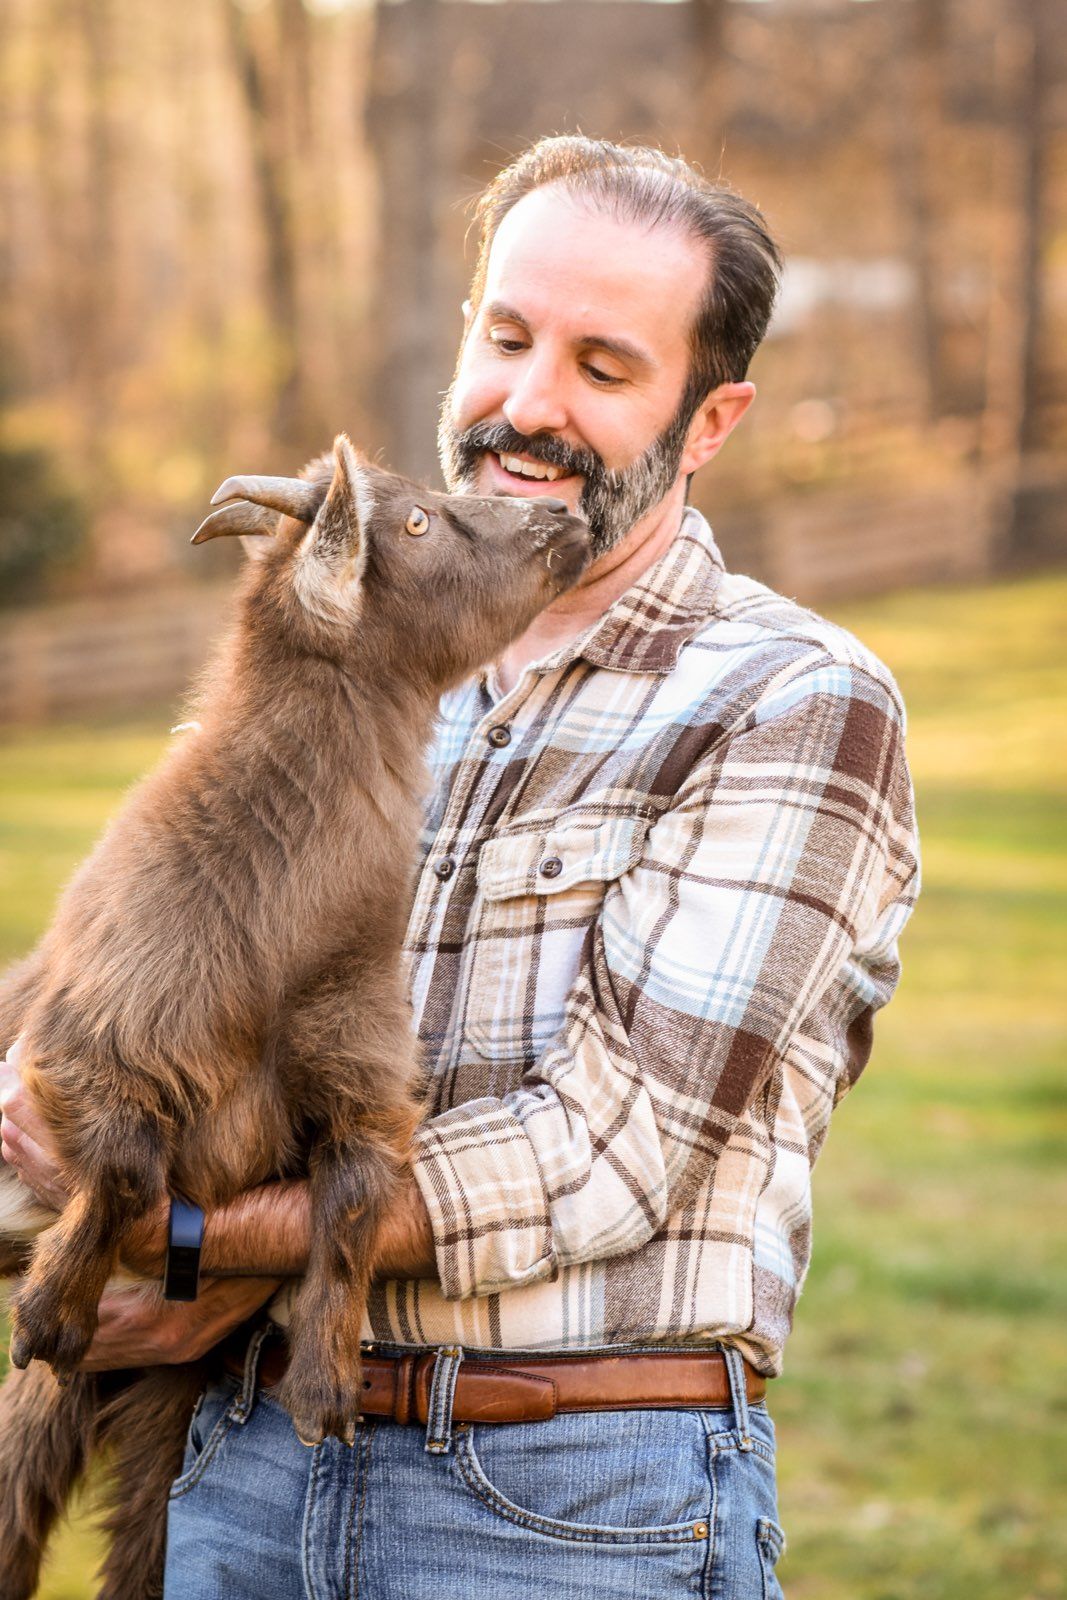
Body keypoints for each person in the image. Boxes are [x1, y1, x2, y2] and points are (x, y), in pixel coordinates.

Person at [0, 136, 919, 1598]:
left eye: (604, 368)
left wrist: (196, 1256)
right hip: (238, 1474)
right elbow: (157, 977)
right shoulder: (368, 667)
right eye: (506, 336)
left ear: (711, 417)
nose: (528, 404)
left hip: (558, 1506)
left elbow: (609, 1154)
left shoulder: (794, 701)